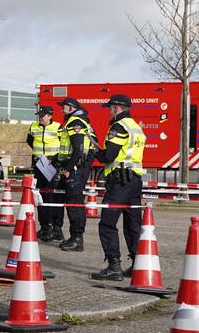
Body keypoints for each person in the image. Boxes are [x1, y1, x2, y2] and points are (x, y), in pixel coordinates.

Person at [91, 93, 146, 281]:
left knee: (107, 222)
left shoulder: (119, 126)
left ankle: (114, 265)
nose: (109, 111)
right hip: (135, 181)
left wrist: (96, 151)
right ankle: (139, 265)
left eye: (110, 108)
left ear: (117, 108)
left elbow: (109, 156)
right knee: (133, 224)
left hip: (119, 181)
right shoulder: (135, 127)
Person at [56, 97, 96, 252]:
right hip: (79, 167)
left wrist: (68, 167)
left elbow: (78, 150)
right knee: (74, 202)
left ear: (71, 108)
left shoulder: (75, 122)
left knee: (74, 203)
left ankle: (77, 239)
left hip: (76, 169)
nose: (62, 109)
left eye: (64, 107)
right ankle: (75, 237)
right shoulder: (82, 121)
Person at [25, 106, 64, 242]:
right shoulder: (34, 126)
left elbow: (64, 144)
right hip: (39, 164)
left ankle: (57, 228)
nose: (40, 117)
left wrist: (55, 158)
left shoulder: (58, 127)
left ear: (50, 116)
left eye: (43, 115)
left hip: (53, 164)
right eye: (39, 115)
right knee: (40, 196)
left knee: (54, 196)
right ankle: (45, 227)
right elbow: (29, 141)